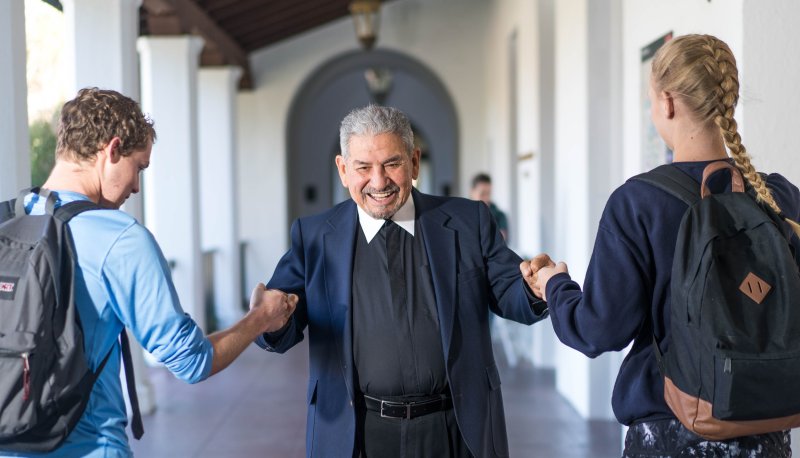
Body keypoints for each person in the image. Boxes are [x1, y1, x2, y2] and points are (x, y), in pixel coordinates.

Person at [524, 34, 800, 456]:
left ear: (667, 103)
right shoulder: (779, 195)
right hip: (768, 432)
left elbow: (598, 330)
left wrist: (554, 284)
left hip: (669, 433)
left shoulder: (638, 203)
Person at [0, 88, 297, 458]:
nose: (136, 187)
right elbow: (192, 362)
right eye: (138, 167)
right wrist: (261, 317)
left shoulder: (6, 219)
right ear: (112, 150)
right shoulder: (120, 238)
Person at [255, 105, 548, 458]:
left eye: (391, 163)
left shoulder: (468, 221)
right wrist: (270, 322)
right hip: (357, 434)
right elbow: (280, 320)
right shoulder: (314, 237)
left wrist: (532, 289)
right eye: (363, 167)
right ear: (343, 170)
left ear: (414, 162)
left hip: (457, 429)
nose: (379, 182)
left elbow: (509, 289)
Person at [469, 173, 509, 241]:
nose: (486, 198)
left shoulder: (500, 216)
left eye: (488, 193)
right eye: (482, 194)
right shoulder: (462, 214)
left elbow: (500, 242)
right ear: (472, 192)